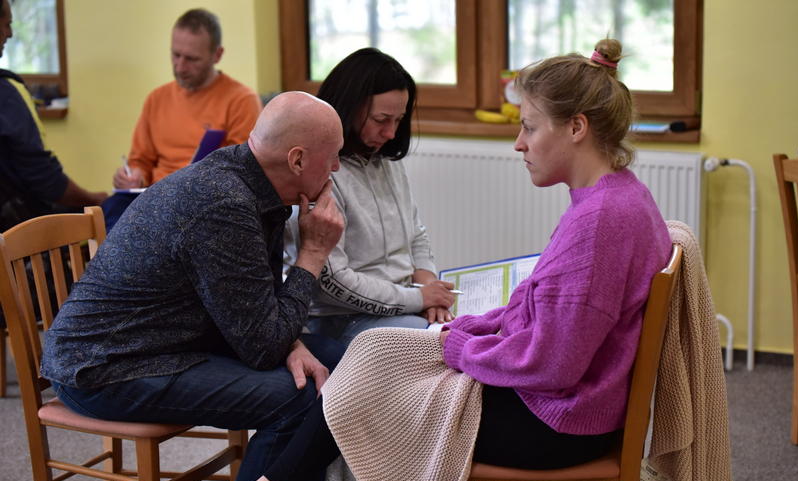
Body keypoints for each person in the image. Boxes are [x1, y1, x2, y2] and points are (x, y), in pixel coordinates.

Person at [167, 38, 672, 481]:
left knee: (378, 405)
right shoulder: (615, 200)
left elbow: (554, 363)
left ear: (577, 128)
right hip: (569, 406)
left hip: (561, 420)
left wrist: (457, 345)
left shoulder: (598, 222)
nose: (519, 142)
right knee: (375, 362)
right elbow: (546, 323)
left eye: (529, 126)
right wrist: (470, 330)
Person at [40, 91, 346, 481]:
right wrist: (313, 253)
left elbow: (255, 305)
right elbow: (262, 346)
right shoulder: (224, 203)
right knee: (301, 398)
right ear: (297, 159)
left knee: (339, 362)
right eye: (333, 156)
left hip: (171, 341)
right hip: (108, 366)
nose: (336, 168)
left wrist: (292, 341)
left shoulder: (254, 183)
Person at [284, 48, 456, 349]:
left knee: (476, 331)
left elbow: (416, 234)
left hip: (402, 303)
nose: (391, 133)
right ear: (349, 108)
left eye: (399, 120)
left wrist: (429, 286)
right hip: (342, 317)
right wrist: (418, 299)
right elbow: (333, 282)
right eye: (381, 119)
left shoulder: (386, 162)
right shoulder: (320, 174)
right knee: (449, 346)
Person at [112, 8, 261, 190]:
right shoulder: (156, 99)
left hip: (207, 194)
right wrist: (134, 177)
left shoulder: (241, 101)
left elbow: (242, 171)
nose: (180, 67)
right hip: (154, 195)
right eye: (176, 55)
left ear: (217, 55)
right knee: (110, 205)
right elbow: (140, 162)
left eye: (192, 59)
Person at [0, 0, 107, 232]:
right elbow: (45, 179)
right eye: (6, 24)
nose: (10, 33)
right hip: (16, 232)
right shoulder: (7, 93)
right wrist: (94, 200)